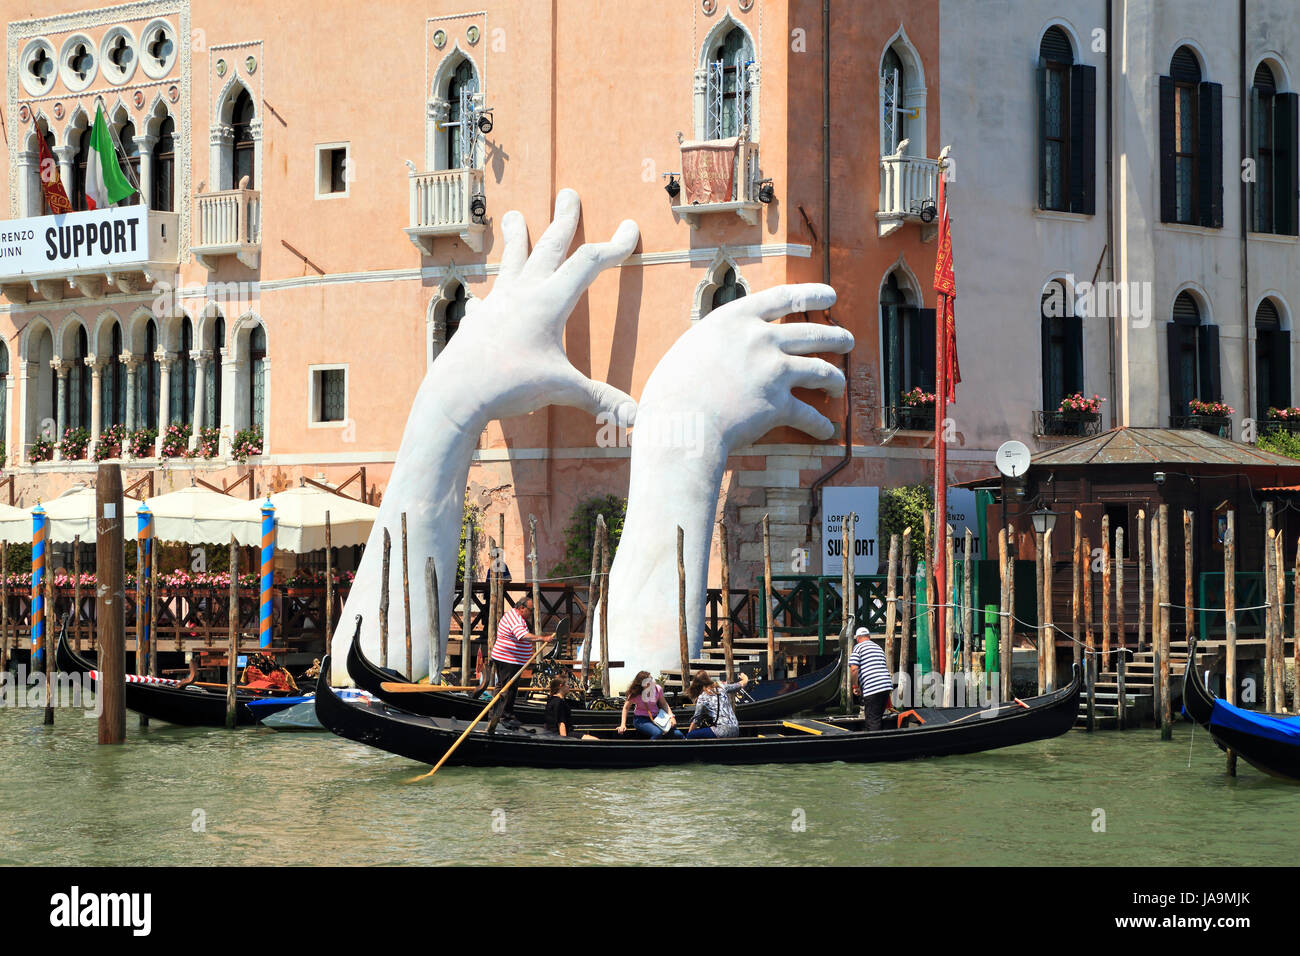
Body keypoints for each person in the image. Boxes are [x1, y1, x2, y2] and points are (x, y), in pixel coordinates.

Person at [481, 595, 552, 729]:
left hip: (510, 659)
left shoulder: (516, 617)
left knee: (504, 687)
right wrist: (542, 638)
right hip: (507, 659)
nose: (531, 613)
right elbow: (523, 635)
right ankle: (504, 716)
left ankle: (498, 714)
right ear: (521, 608)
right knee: (508, 688)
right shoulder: (515, 619)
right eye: (530, 610)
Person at [849, 626, 894, 731]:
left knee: (872, 720)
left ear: (858, 638)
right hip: (886, 687)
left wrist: (855, 686)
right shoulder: (878, 647)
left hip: (873, 688)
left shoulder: (858, 647)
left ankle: (874, 745)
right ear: (869, 637)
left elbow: (854, 669)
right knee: (877, 717)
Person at [617, 671, 684, 739]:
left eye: (651, 679)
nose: (653, 682)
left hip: (657, 718)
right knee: (657, 733)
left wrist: (671, 717)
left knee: (679, 735)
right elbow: (626, 708)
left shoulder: (657, 689)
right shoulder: (635, 693)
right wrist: (623, 725)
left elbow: (664, 704)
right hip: (641, 720)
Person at [685, 669, 749, 738]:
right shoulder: (721, 686)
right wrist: (745, 678)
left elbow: (696, 721)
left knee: (691, 735)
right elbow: (741, 684)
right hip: (735, 729)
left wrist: (688, 736)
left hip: (722, 731)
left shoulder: (702, 697)